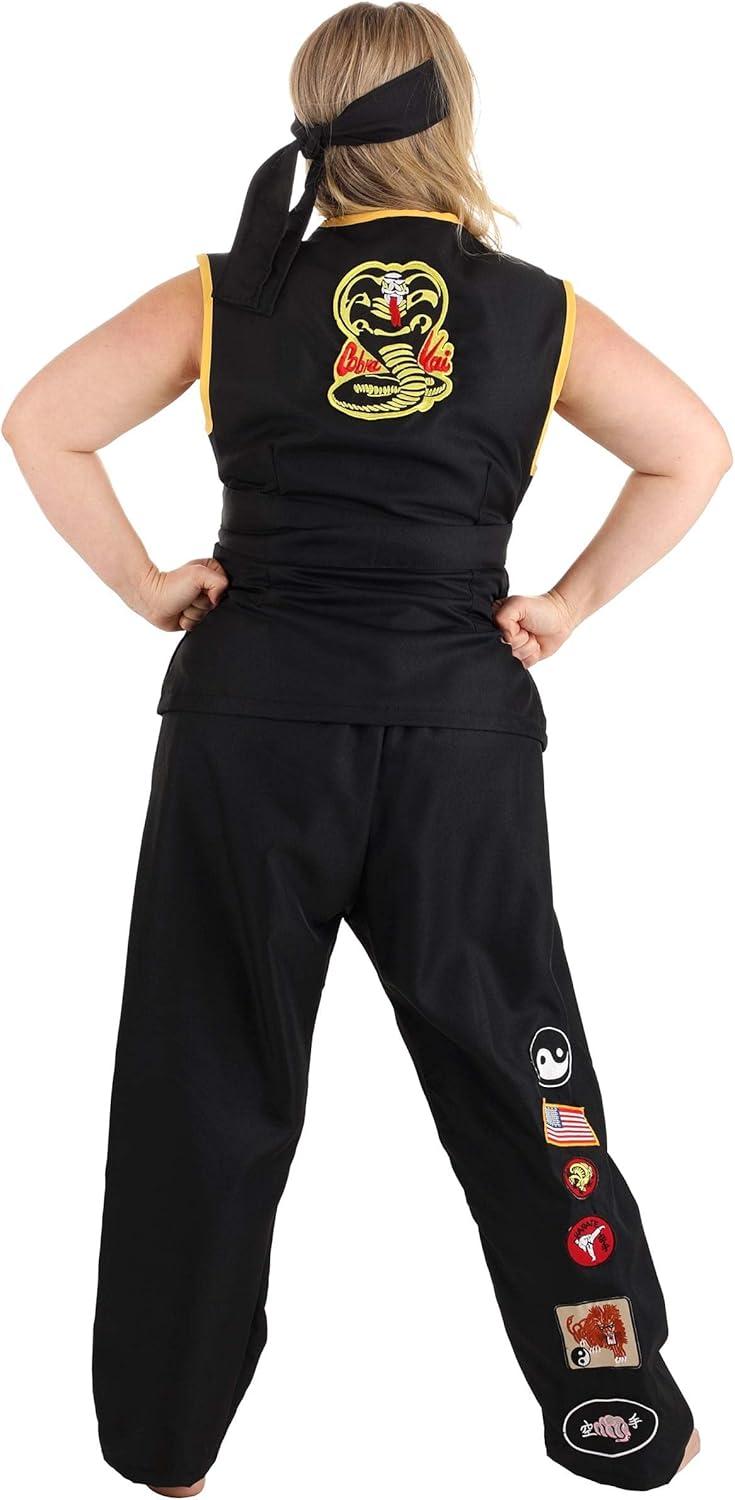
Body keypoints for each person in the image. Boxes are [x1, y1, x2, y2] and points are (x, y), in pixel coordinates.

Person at [3, 3, 729, 1494]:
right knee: (523, 1072)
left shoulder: (229, 292)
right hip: (459, 733)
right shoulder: (534, 311)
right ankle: (622, 1412)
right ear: (451, 117)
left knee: (206, 1076)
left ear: (314, 121)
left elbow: (42, 421)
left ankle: (165, 1444)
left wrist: (148, 587)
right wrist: (568, 606)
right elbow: (692, 448)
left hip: (249, 728)